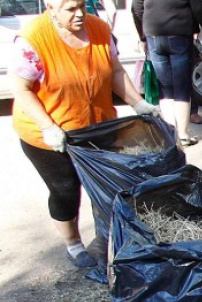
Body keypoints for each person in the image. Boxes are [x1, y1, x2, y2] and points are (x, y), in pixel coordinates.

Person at [10, 0, 159, 268]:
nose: (79, 14)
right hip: (50, 133)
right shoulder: (33, 39)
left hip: (96, 126)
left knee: (104, 185)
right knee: (66, 189)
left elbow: (115, 71)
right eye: (70, 9)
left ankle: (108, 238)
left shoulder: (99, 29)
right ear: (51, 7)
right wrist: (48, 127)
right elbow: (21, 88)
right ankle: (74, 245)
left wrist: (138, 103)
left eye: (82, 5)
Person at [132, 0, 202, 147]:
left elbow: (136, 8)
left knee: (165, 88)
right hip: (179, 34)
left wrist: (143, 35)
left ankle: (171, 137)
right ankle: (183, 136)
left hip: (153, 35)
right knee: (181, 87)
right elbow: (197, 7)